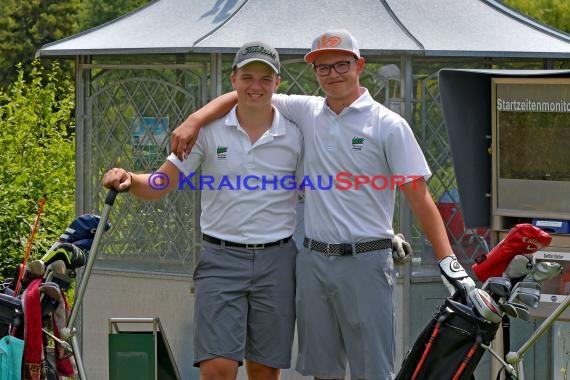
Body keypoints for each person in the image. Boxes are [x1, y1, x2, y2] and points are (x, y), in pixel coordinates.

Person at [170, 30, 475, 380]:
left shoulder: (388, 125)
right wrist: (195, 120)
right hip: (313, 262)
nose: (333, 74)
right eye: (323, 68)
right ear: (315, 73)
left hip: (366, 260)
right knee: (323, 372)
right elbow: (246, 93)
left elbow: (419, 198)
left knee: (372, 372)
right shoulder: (307, 110)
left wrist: (448, 262)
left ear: (359, 65)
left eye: (341, 64)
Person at [103, 41, 303, 380]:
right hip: (222, 259)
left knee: (265, 371)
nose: (256, 86)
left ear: (277, 83)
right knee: (217, 368)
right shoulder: (208, 132)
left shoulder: (296, 133)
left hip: (278, 261)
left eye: (265, 79)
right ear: (234, 79)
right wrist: (129, 178)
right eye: (248, 77)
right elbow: (160, 183)